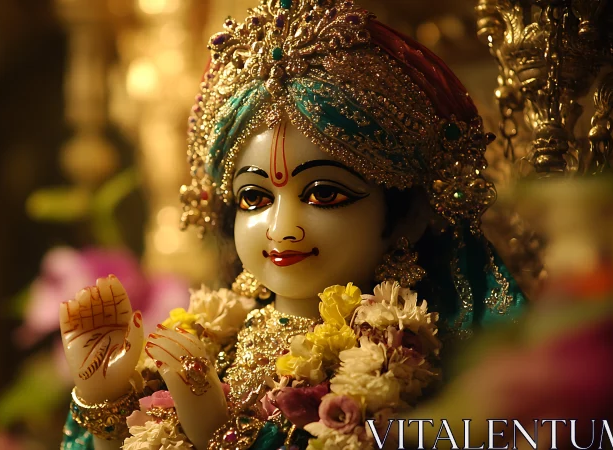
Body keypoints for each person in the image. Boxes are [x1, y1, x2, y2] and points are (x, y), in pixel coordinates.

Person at [60, 0, 526, 448]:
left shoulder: (408, 364)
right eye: (254, 197)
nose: (282, 229)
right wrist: (103, 396)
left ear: (410, 215)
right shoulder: (212, 341)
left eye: (324, 194)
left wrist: (214, 428)